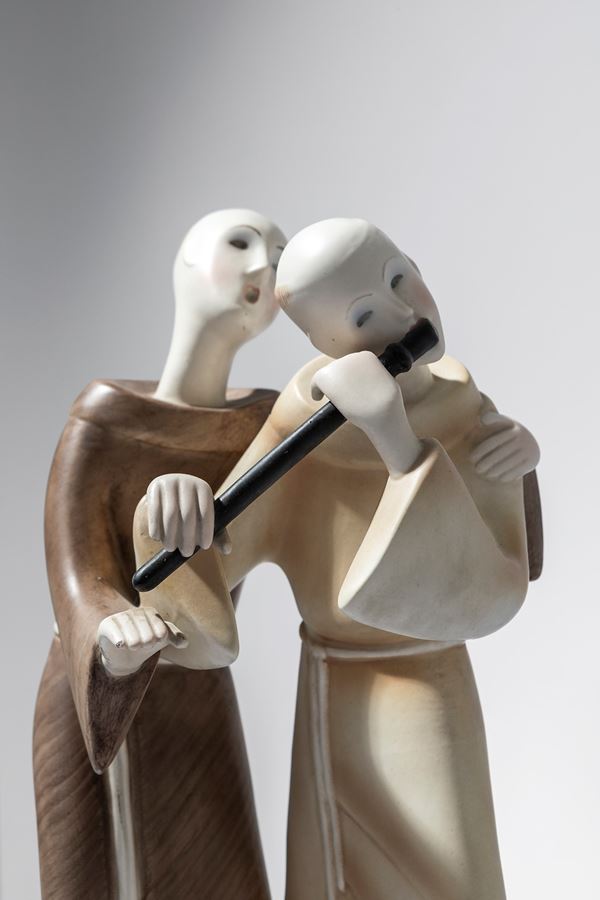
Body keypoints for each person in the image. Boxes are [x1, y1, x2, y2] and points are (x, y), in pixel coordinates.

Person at [132, 218, 542, 900]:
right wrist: (173, 512)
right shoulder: (301, 427)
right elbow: (219, 554)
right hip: (337, 689)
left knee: (451, 873)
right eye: (362, 317)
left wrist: (404, 442)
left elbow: (494, 586)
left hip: (434, 685)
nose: (404, 314)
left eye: (400, 278)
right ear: (327, 346)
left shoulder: (470, 410)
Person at [34, 209, 286, 900]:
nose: (264, 266)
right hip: (100, 682)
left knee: (218, 869)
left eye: (279, 255)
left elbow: (280, 531)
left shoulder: (266, 429)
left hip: (198, 688)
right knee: (103, 871)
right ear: (186, 262)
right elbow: (74, 565)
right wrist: (110, 632)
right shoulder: (103, 415)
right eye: (241, 243)